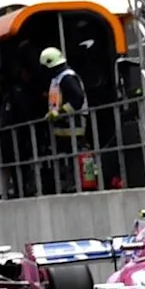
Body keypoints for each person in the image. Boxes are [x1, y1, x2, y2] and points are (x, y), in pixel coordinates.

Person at [40, 46, 91, 192]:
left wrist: (61, 113)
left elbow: (77, 98)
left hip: (74, 125)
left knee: (77, 153)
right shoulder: (58, 78)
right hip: (63, 127)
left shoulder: (67, 77)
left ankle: (81, 183)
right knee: (66, 156)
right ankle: (71, 183)